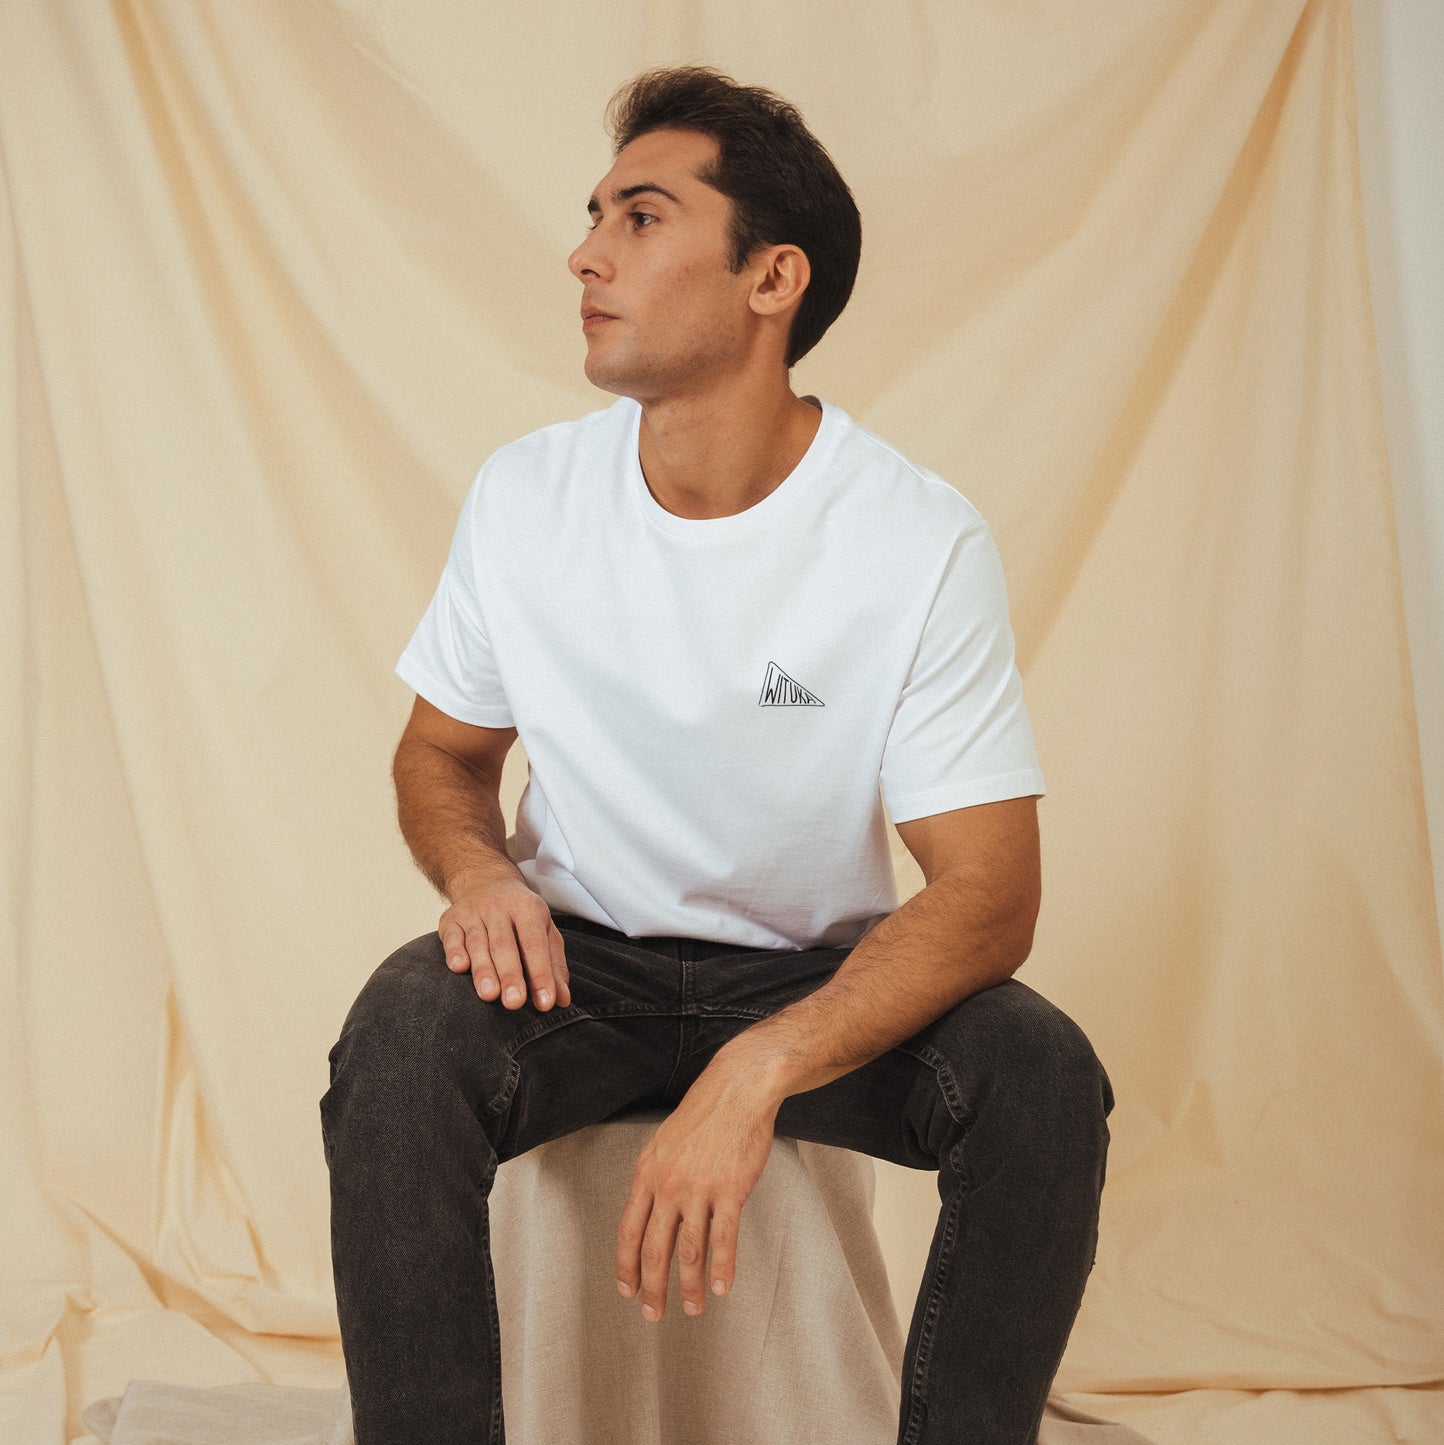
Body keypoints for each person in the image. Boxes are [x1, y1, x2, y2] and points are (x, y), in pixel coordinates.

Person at [320, 64, 1113, 1445]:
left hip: (814, 980)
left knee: (1040, 1075)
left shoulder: (914, 539)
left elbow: (991, 893)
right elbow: (438, 756)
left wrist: (756, 1067)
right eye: (594, 217)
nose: (585, 254)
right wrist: (479, 875)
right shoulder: (525, 497)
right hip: (573, 970)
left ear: (771, 278)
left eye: (639, 217)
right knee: (398, 1035)